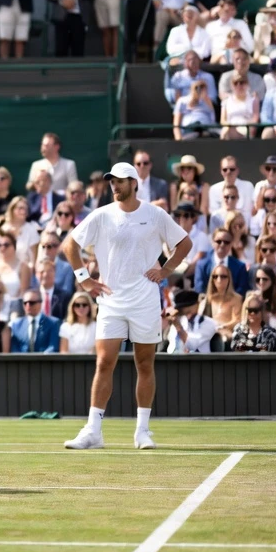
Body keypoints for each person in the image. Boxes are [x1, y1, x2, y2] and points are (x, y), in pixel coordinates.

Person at [61, 162, 192, 450]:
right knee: (104, 362)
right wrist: (84, 280)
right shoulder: (102, 215)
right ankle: (93, 431)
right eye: (112, 182)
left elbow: (184, 244)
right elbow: (70, 245)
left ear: (133, 182)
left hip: (145, 300)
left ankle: (142, 431)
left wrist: (166, 270)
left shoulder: (155, 214)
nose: (115, 186)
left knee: (144, 363)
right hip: (110, 300)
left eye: (120, 181)